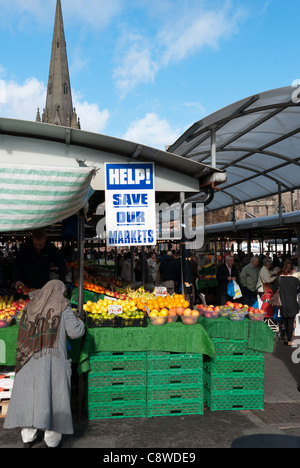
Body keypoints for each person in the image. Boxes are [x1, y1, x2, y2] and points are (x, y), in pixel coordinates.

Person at [4, 280, 85, 448]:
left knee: (29, 398)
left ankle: (28, 438)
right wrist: (81, 322)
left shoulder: (30, 305)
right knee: (54, 398)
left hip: (27, 359)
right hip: (52, 362)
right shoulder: (63, 306)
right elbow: (75, 332)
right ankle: (51, 440)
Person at [272, 264, 300, 346]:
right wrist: (295, 292)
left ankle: (285, 335)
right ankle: (289, 339)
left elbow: (274, 289)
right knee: (290, 322)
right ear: (292, 271)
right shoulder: (295, 280)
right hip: (292, 303)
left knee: (285, 320)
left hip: (283, 303)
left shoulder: (279, 279)